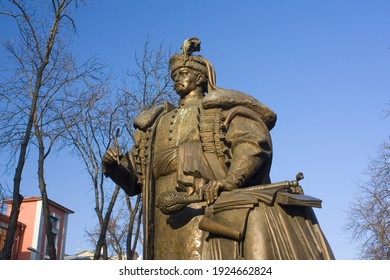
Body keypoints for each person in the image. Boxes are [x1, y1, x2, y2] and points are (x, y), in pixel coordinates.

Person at [102, 38, 334, 260]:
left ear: (200, 78)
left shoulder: (219, 109)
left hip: (205, 206)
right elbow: (136, 181)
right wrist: (113, 167)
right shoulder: (156, 122)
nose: (176, 80)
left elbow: (251, 142)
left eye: (183, 74)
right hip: (160, 217)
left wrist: (230, 179)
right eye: (174, 76)